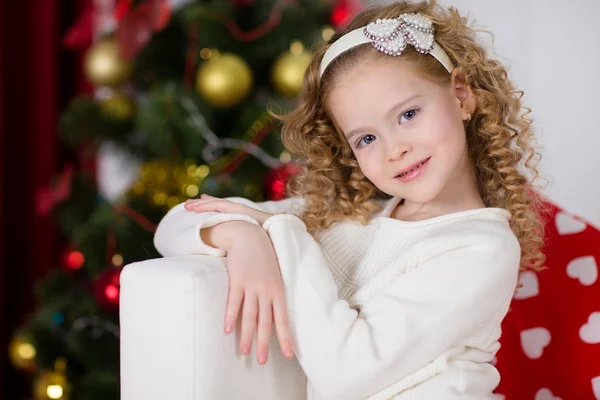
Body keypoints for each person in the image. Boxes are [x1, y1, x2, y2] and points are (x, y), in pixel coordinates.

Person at [153, 1, 546, 398]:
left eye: (408, 114)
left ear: (461, 96)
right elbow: (174, 225)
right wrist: (242, 236)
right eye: (367, 138)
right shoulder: (350, 218)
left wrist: (278, 231)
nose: (394, 149)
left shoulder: (483, 248)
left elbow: (345, 373)